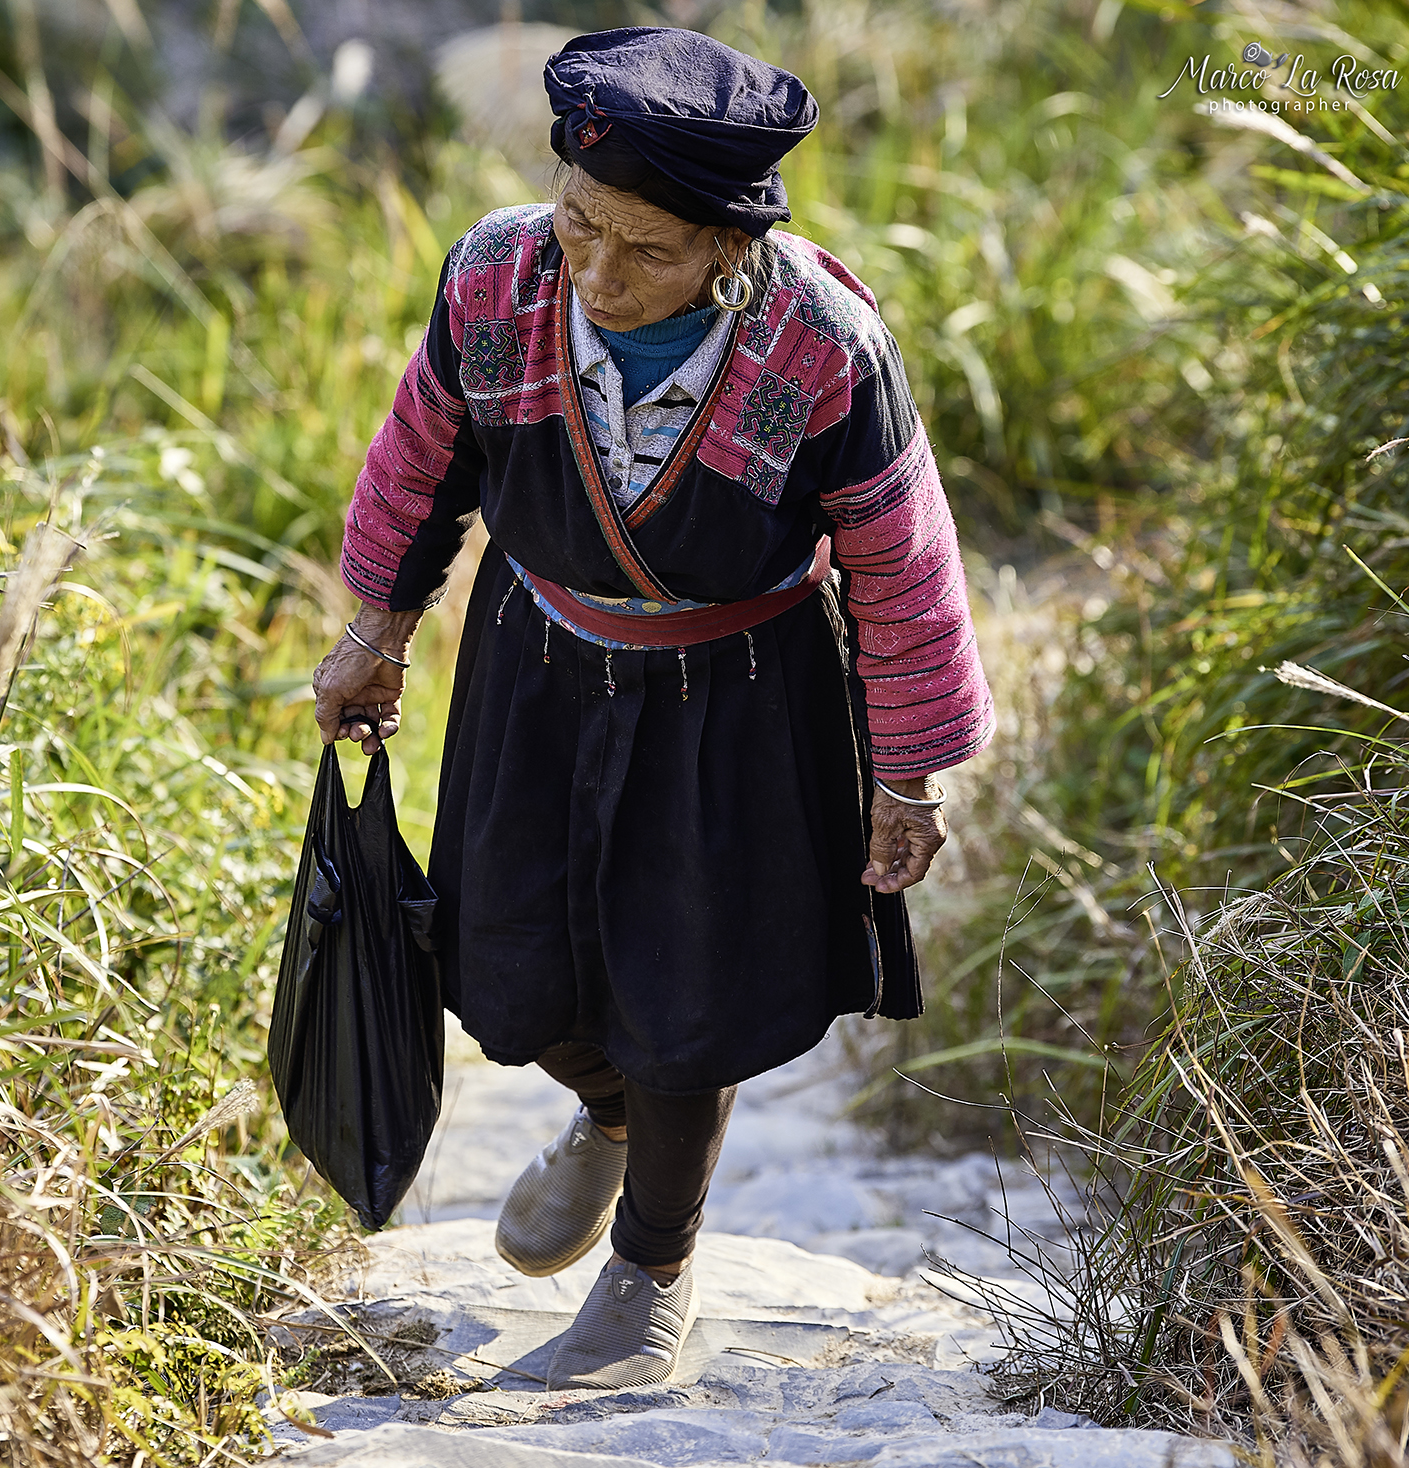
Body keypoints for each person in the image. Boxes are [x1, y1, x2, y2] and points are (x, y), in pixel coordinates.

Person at [309, 26, 993, 1391]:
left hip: (732, 693)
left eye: (649, 251)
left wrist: (908, 775)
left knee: (689, 983)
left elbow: (904, 566)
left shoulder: (824, 347)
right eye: (581, 228)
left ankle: (650, 1277)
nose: (600, 276)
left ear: (730, 250)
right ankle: (611, 1114)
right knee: (500, 966)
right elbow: (418, 462)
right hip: (539, 661)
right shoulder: (496, 277)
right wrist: (375, 626)